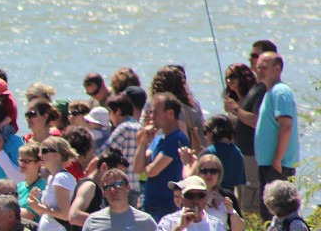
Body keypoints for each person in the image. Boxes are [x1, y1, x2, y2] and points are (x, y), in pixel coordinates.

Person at [223, 47, 271, 214]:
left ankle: (253, 225)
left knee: (251, 191)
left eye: (233, 76)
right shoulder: (234, 100)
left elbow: (255, 121)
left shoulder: (254, 95)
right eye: (227, 77)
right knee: (240, 193)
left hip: (252, 153)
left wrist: (235, 109)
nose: (229, 80)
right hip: (237, 154)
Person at [253, 51, 299, 208]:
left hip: (278, 165)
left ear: (277, 69)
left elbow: (286, 126)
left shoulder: (280, 91)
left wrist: (277, 160)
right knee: (269, 212)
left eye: (264, 67)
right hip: (268, 164)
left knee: (280, 210)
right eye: (257, 67)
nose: (258, 70)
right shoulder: (270, 92)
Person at [136, 93, 189, 222]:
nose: (151, 116)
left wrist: (147, 165)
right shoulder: (158, 140)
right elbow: (137, 167)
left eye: (155, 112)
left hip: (166, 207)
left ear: (170, 113)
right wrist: (144, 141)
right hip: (150, 204)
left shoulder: (177, 138)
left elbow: (152, 171)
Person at [103, 94, 141, 195]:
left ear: (118, 111)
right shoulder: (139, 127)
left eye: (110, 112)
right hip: (135, 185)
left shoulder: (124, 128)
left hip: (119, 186)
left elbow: (104, 152)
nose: (109, 117)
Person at [199, 114, 246, 192]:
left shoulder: (208, 153)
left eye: (205, 132)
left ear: (211, 133)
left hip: (209, 198)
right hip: (229, 198)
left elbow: (189, 177)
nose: (205, 137)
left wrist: (186, 162)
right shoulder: (238, 153)